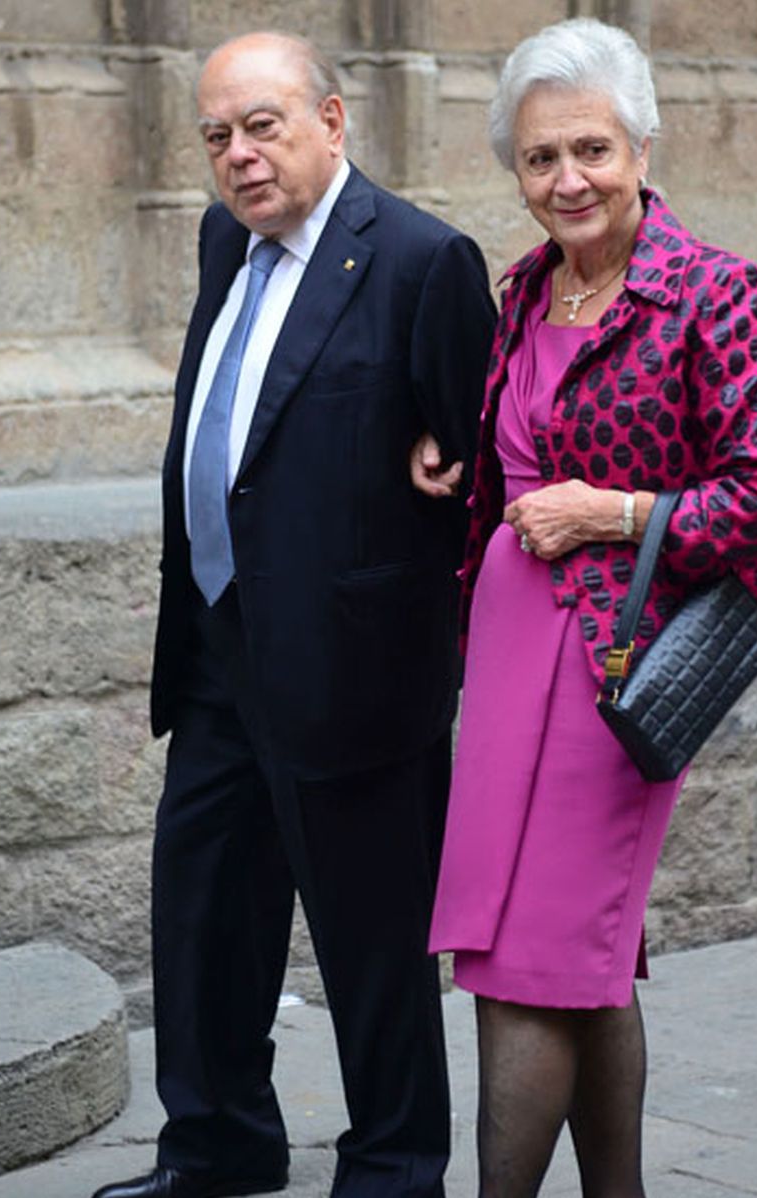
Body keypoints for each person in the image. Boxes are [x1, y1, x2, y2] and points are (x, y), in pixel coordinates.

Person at [92, 31, 496, 1198]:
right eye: (216, 136)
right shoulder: (230, 239)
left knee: (372, 949)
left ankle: (392, 1168)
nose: (238, 156)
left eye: (261, 125)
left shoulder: (422, 260)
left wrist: (454, 463)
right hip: (219, 650)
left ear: (331, 119)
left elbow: (488, 471)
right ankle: (218, 1145)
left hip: (357, 671)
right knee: (205, 917)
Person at [428, 17, 757, 1198]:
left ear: (642, 146)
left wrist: (616, 511)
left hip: (616, 665)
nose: (566, 180)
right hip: (503, 654)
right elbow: (512, 467)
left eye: (590, 148)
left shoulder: (714, 293)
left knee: (531, 960)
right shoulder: (525, 290)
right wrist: (445, 458)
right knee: (554, 944)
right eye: (540, 159)